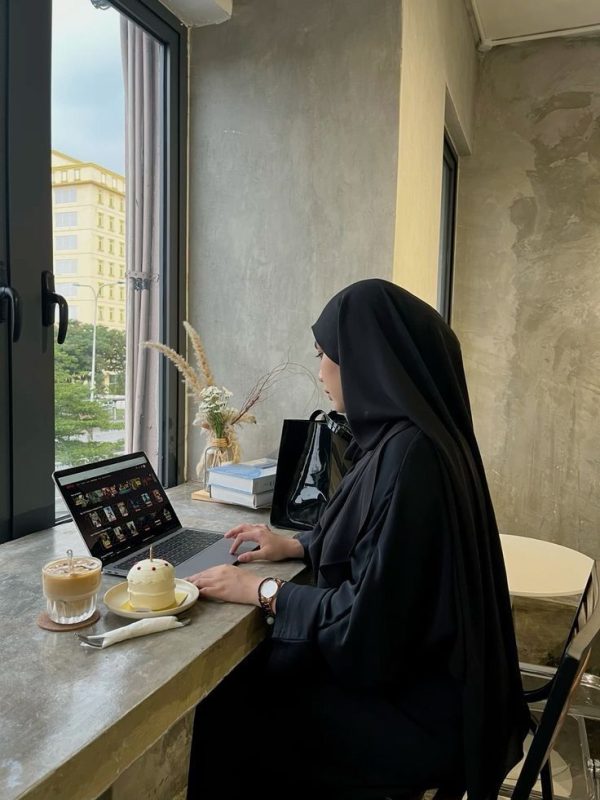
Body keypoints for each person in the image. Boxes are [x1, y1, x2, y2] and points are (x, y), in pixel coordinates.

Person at [185, 278, 528, 800]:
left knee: (227, 711)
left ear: (367, 359)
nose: (321, 372)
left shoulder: (411, 460)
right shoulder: (407, 440)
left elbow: (368, 624)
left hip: (418, 716)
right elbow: (382, 547)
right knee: (252, 687)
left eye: (325, 355)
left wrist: (264, 591)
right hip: (431, 687)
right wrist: (297, 545)